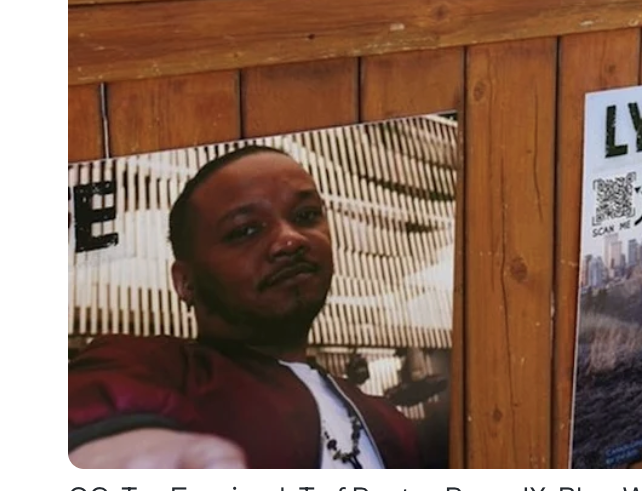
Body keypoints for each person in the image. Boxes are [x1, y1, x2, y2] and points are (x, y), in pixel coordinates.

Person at [69, 146, 426, 469]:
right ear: (186, 282)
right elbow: (93, 401)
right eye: (245, 231)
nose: (290, 239)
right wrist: (112, 438)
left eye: (305, 215)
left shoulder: (389, 420)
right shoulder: (154, 366)